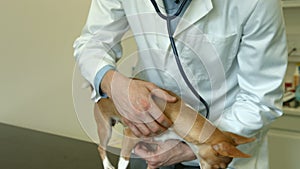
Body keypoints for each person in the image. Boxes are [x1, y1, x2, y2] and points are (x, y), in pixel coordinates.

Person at [73, 0, 287, 168]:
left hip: (217, 153)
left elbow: (260, 98)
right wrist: (113, 84)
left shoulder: (258, 2)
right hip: (150, 141)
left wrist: (189, 149)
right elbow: (93, 43)